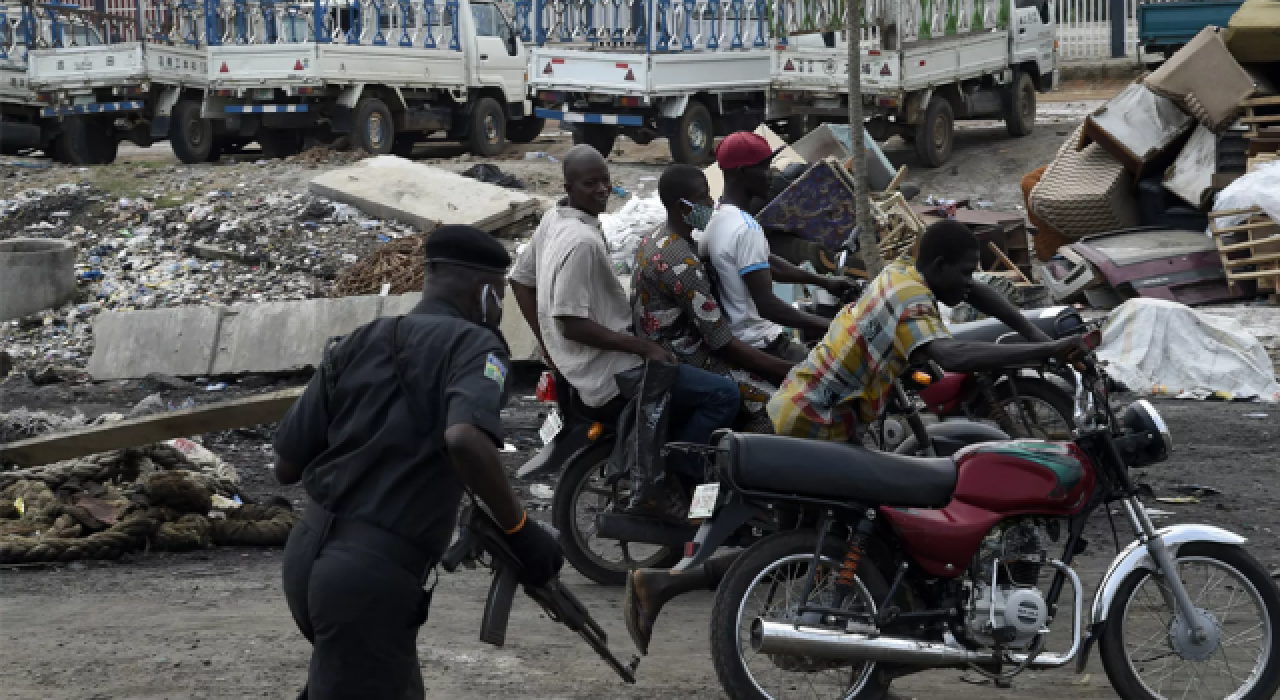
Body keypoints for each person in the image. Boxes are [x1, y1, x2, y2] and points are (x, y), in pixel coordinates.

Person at [622, 220, 1091, 655]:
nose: (969, 283)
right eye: (964, 272)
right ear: (939, 266)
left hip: (806, 409)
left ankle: (663, 586)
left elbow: (978, 294)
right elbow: (950, 353)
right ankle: (866, 645)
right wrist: (1046, 348)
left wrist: (1035, 332)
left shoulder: (903, 272)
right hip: (815, 422)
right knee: (839, 543)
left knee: (807, 545)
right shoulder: (911, 297)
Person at [274, 226, 563, 699]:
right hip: (370, 579)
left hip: (307, 558)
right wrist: (520, 530)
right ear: (487, 293)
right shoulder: (476, 347)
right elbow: (465, 439)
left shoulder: (358, 341)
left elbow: (286, 465)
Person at [508, 144, 740, 487]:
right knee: (725, 394)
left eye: (605, 181)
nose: (601, 190)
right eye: (590, 184)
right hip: (611, 371)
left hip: (583, 364)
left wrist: (549, 348)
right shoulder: (582, 243)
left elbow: (520, 281)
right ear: (568, 187)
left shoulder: (554, 218)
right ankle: (675, 479)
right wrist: (642, 348)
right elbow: (570, 323)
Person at [632, 164, 795, 432]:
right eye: (702, 199)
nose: (710, 203)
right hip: (683, 356)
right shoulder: (682, 264)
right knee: (773, 406)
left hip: (659, 344)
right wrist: (786, 369)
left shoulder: (655, 239)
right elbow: (723, 343)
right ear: (682, 207)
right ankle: (707, 463)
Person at [700, 131, 858, 362]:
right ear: (743, 173)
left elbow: (767, 262)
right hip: (761, 342)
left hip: (737, 336)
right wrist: (836, 326)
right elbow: (768, 307)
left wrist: (824, 281)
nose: (771, 175)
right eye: (765, 168)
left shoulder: (718, 216)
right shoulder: (746, 229)